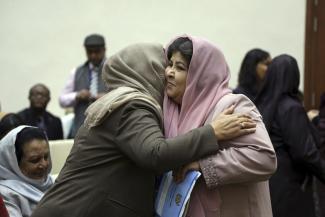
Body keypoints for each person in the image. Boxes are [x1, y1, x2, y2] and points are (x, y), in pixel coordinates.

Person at [31, 43, 256, 217]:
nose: (168, 73)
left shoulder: (117, 100)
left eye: (177, 67)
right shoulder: (132, 105)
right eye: (165, 66)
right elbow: (155, 154)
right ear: (147, 70)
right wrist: (212, 132)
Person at [163, 36, 276, 217]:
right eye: (170, 64)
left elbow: (264, 157)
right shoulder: (172, 112)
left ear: (201, 76)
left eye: (180, 67)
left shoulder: (233, 105)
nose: (169, 72)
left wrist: (203, 165)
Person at [255, 54, 325, 217]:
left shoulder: (260, 104)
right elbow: (305, 153)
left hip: (265, 184)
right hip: (290, 187)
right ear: (295, 76)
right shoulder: (290, 107)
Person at [59, 33, 108, 138]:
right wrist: (77, 95)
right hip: (81, 131)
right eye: (89, 52)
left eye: (97, 52)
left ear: (104, 50)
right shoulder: (76, 72)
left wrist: (109, 97)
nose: (93, 55)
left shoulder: (114, 70)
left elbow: (125, 96)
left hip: (107, 129)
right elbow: (62, 100)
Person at [0, 126, 53, 217]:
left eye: (46, 156)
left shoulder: (53, 183)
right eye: (35, 160)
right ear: (14, 162)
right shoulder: (6, 194)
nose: (44, 164)